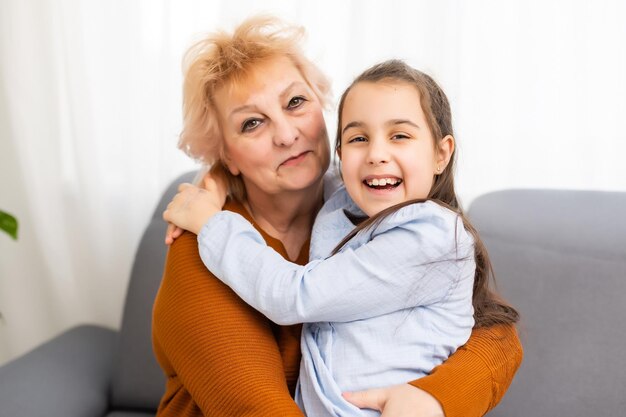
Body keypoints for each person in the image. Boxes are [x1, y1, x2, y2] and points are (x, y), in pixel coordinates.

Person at [152, 15, 523, 417]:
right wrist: (213, 201)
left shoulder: (368, 208)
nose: (286, 135)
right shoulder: (204, 249)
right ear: (225, 154)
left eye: (295, 102)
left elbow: (498, 335)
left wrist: (433, 397)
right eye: (252, 123)